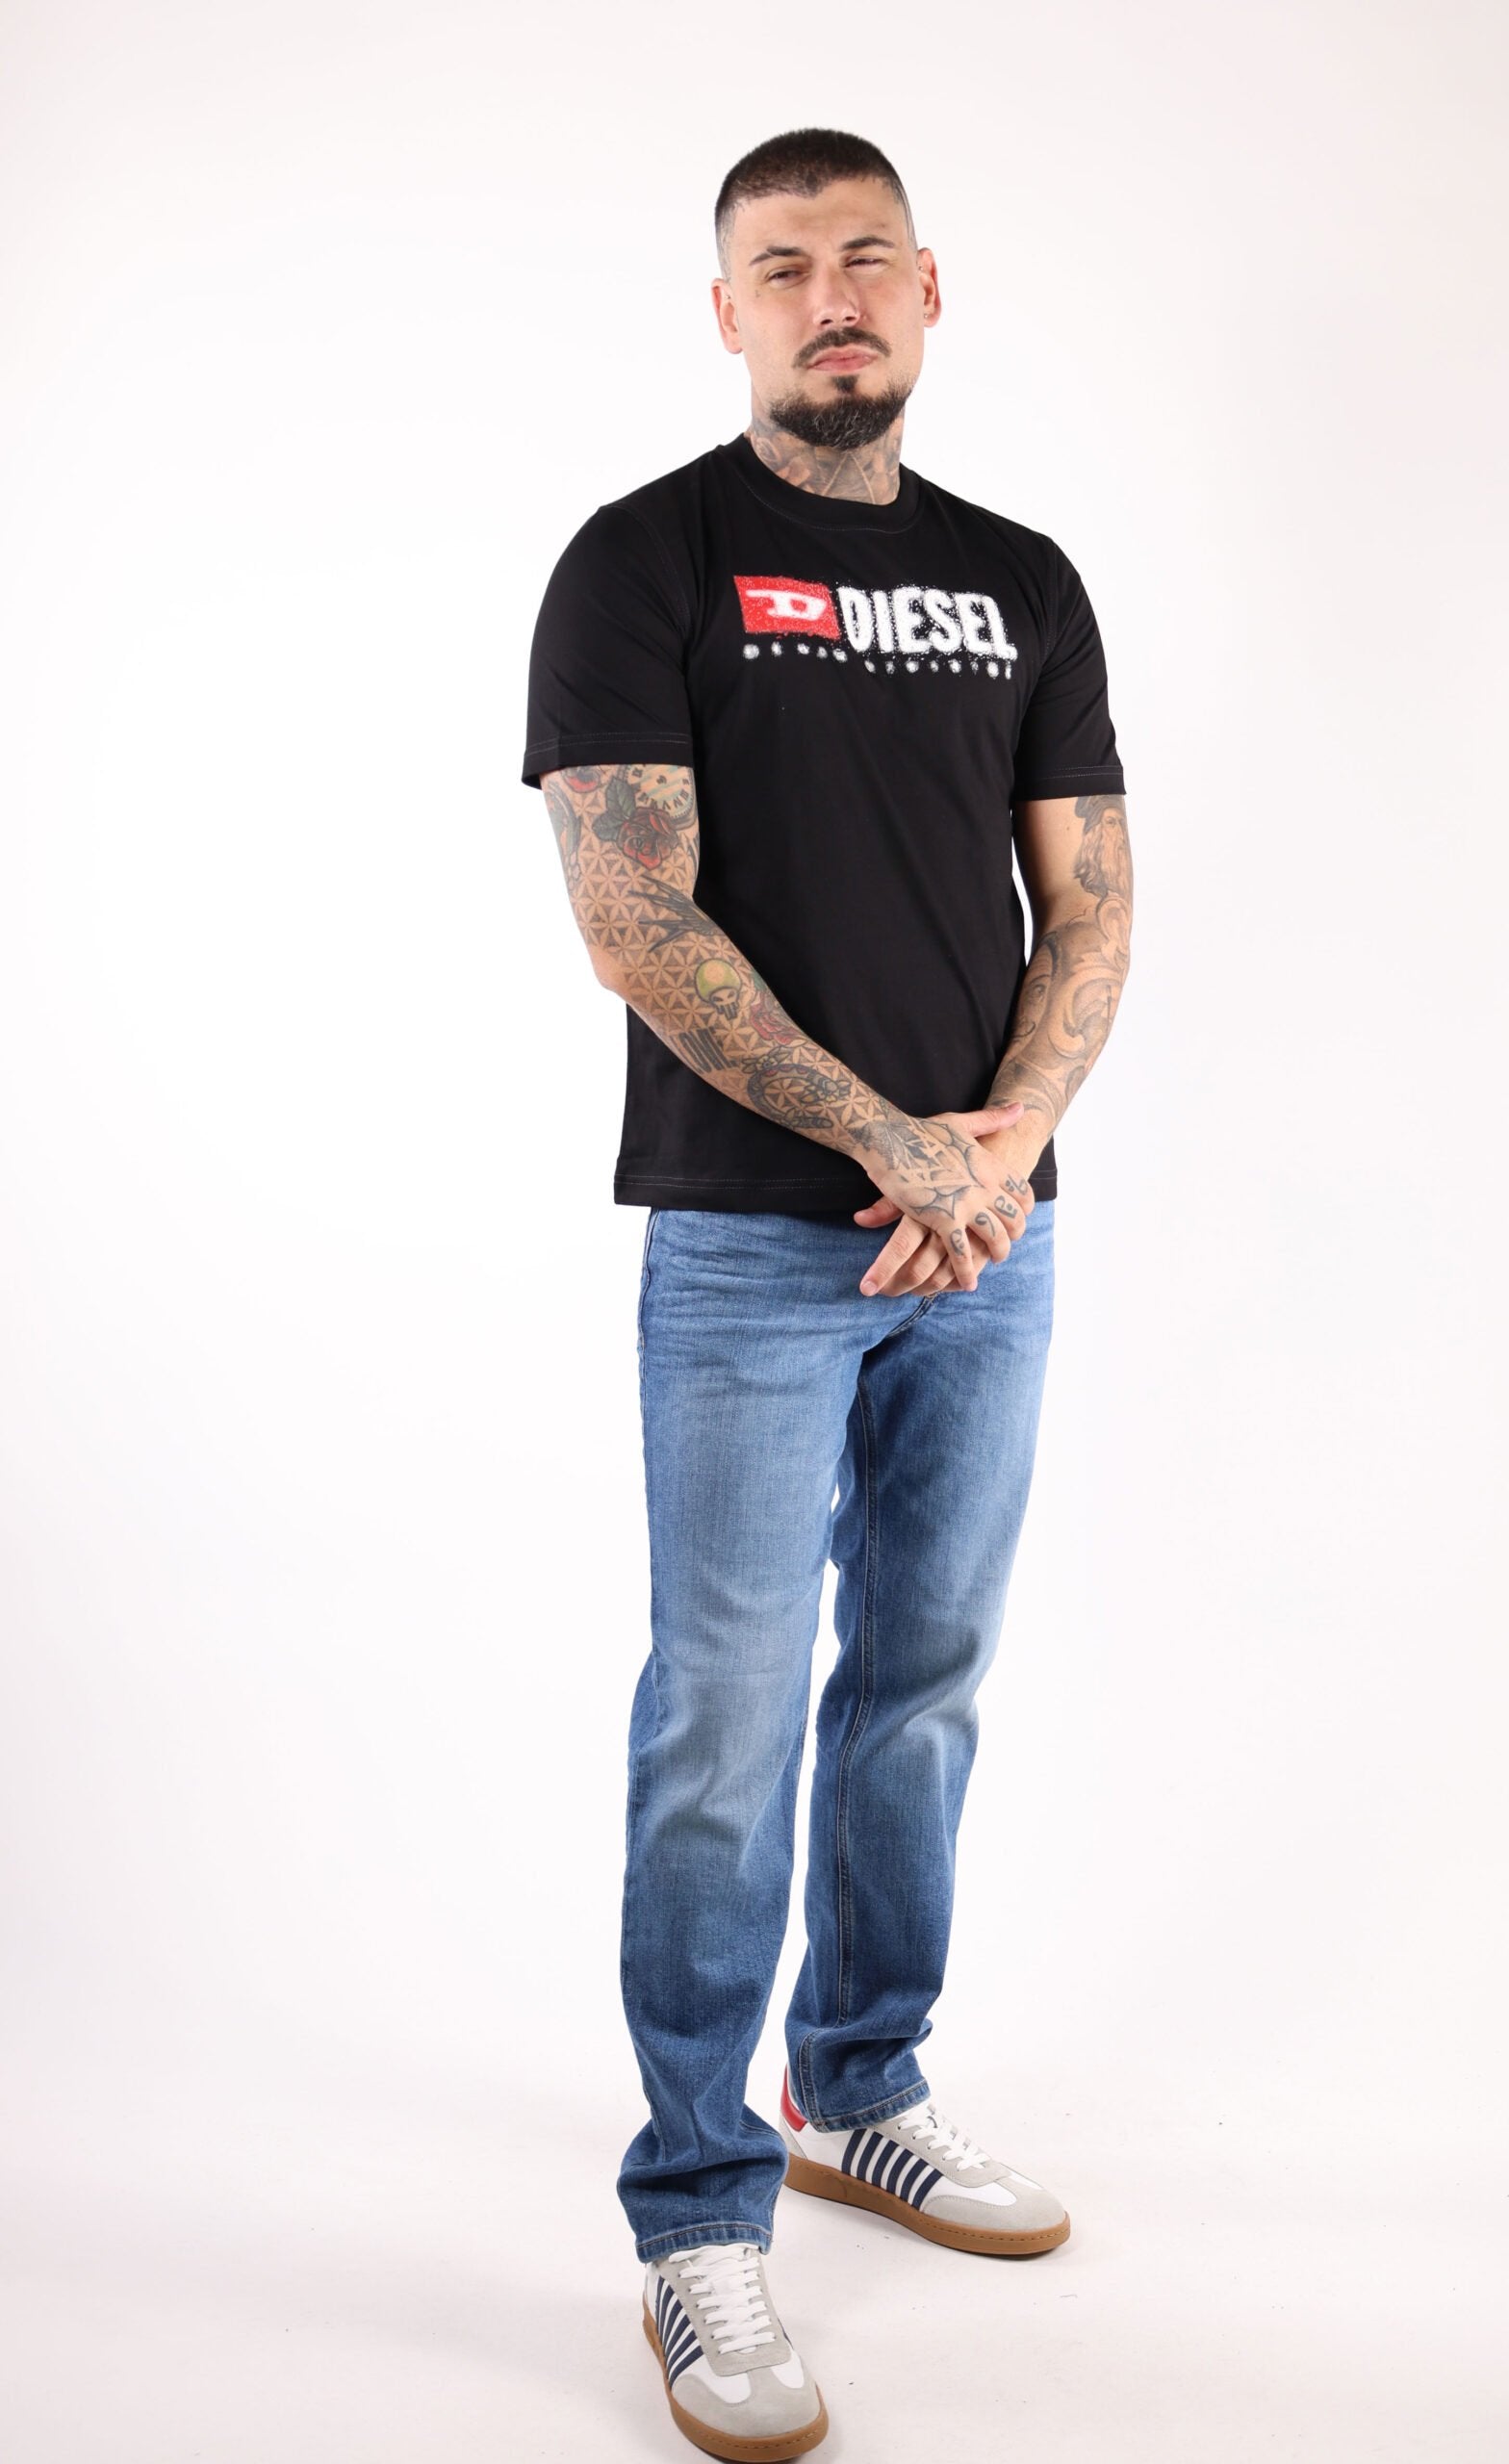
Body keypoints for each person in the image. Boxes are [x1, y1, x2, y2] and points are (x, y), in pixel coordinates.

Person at [520, 125, 1133, 2463]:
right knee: (723, 1710)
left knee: (923, 1678)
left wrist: (991, 1149)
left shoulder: (1018, 579)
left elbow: (1089, 898)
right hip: (753, 1246)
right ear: (727, 314)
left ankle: (857, 2085)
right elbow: (630, 916)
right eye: (778, 267)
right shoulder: (643, 558)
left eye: (863, 255)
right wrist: (892, 1142)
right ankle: (696, 2209)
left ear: (926, 290)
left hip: (985, 1242)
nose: (827, 294)